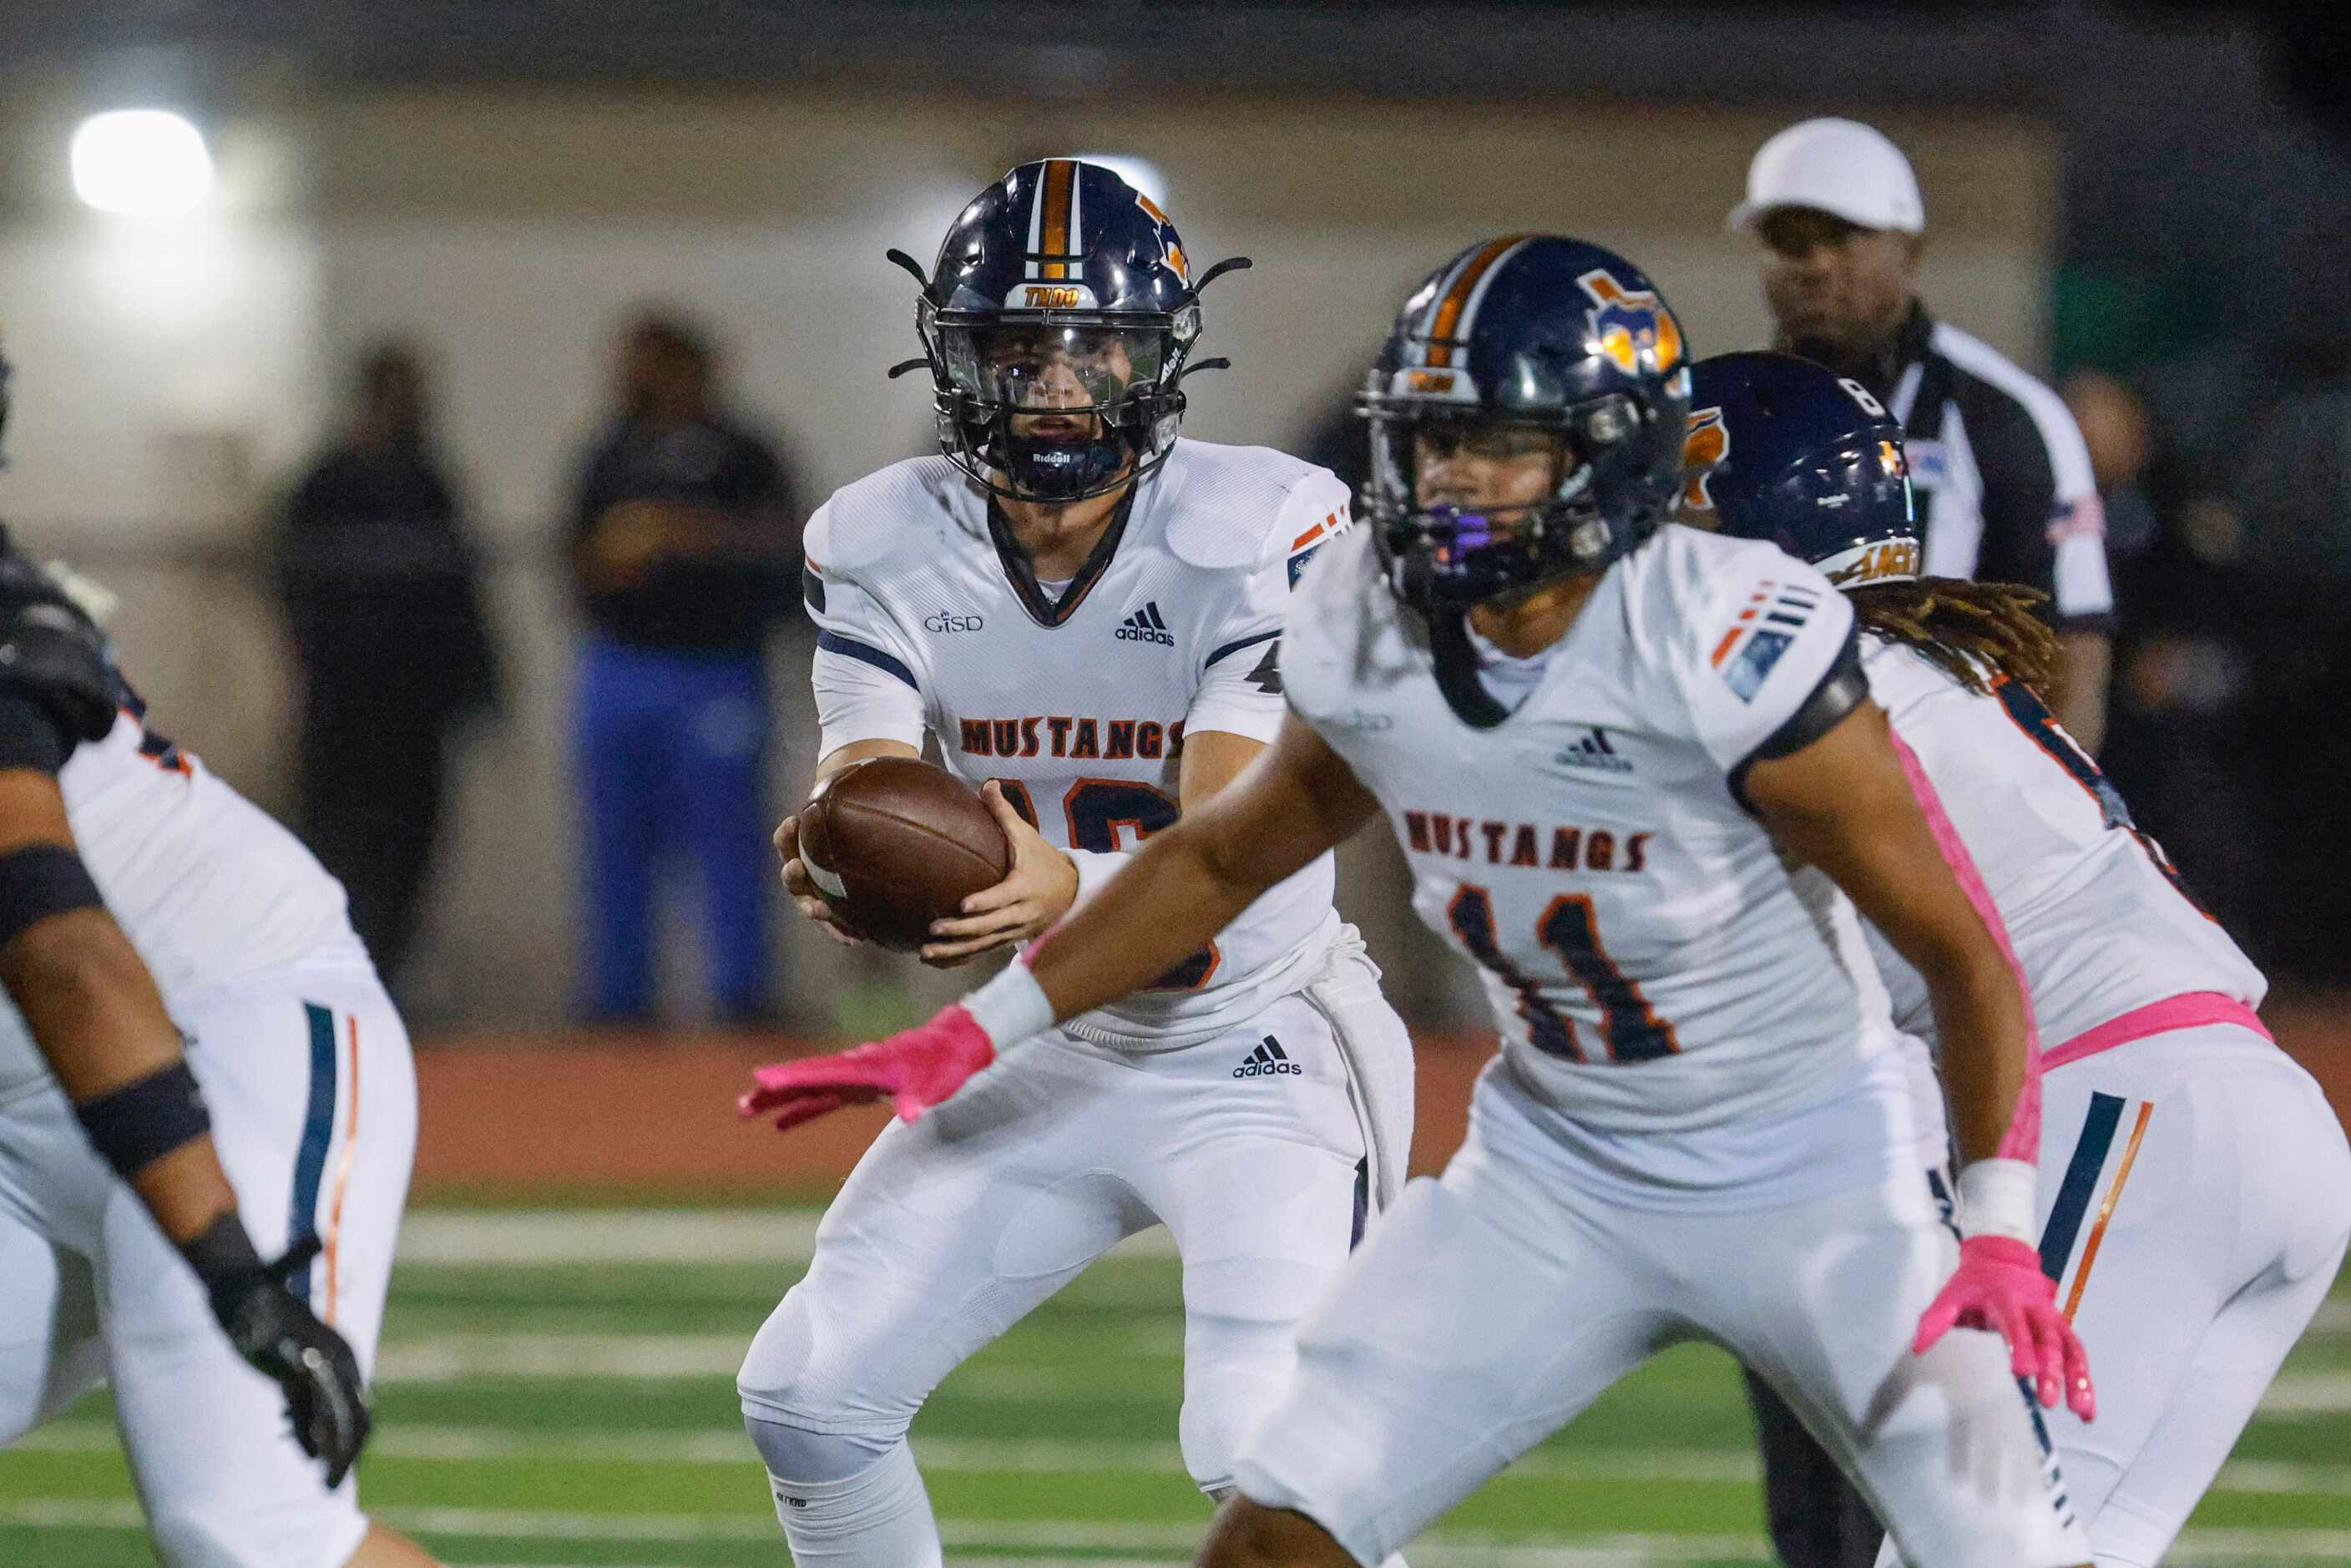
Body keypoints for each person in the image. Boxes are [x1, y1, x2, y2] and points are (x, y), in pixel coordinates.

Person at [748, 235, 2095, 1568]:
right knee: (1264, 1524)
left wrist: (1993, 1224)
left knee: (2002, 1550)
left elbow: (1962, 953)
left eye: (1491, 442)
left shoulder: (1742, 634)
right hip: (1556, 1168)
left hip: (1803, 1175)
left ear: (1614, 453)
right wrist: (966, 1034)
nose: (1448, 478)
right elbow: (1217, 860)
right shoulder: (1370, 614)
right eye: (1429, 437)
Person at [731, 159, 1416, 1568]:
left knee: (1260, 1454)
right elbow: (863, 776)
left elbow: (1231, 850)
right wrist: (845, 854)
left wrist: (1067, 889)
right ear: (954, 357)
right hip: (1054, 1030)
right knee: (808, 1394)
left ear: (1155, 358)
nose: (1054, 384)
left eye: (1090, 344)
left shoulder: (1262, 528)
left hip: (1258, 1040)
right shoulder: (878, 537)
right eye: (1018, 346)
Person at [1687, 349, 2351, 1568]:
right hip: (2233, 1118)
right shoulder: (1913, 663)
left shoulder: (1797, 691)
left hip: (2138, 1113)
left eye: (1669, 512)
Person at [0, 349, 432, 1564]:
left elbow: (65, 958)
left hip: (219, 1037)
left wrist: (235, 1271)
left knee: (255, 1537)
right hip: (28, 1107)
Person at [1731, 117, 2116, 752]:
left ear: (1908, 249)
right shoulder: (1728, 410)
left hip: (1943, 774)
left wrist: (2039, 814)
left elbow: (2075, 645)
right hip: (1761, 778)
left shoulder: (2006, 411)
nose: (1815, 265)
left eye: (1841, 235)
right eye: (1789, 240)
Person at [568, 312, 798, 1026]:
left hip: (716, 671)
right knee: (617, 842)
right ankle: (619, 998)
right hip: (622, 668)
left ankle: (740, 992)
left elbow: (792, 548)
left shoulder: (745, 453)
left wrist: (691, 534)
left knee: (727, 838)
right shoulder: (610, 454)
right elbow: (575, 557)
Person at [278, 341, 500, 991]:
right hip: (345, 703)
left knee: (410, 846)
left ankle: (386, 973)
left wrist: (480, 687)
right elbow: (291, 589)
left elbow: (462, 593)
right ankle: (332, 973)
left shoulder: (430, 481)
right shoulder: (326, 482)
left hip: (417, 709)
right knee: (336, 840)